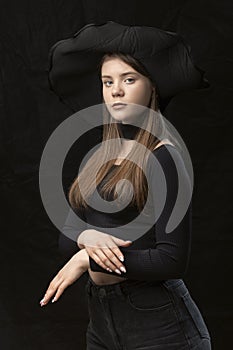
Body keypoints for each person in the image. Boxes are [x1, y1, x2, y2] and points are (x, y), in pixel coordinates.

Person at [40, 22, 212, 349]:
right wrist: (86, 236)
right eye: (108, 82)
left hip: (160, 326)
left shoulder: (165, 158)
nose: (115, 91)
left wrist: (85, 258)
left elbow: (172, 260)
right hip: (104, 323)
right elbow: (66, 237)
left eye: (128, 80)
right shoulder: (104, 157)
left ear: (152, 87)